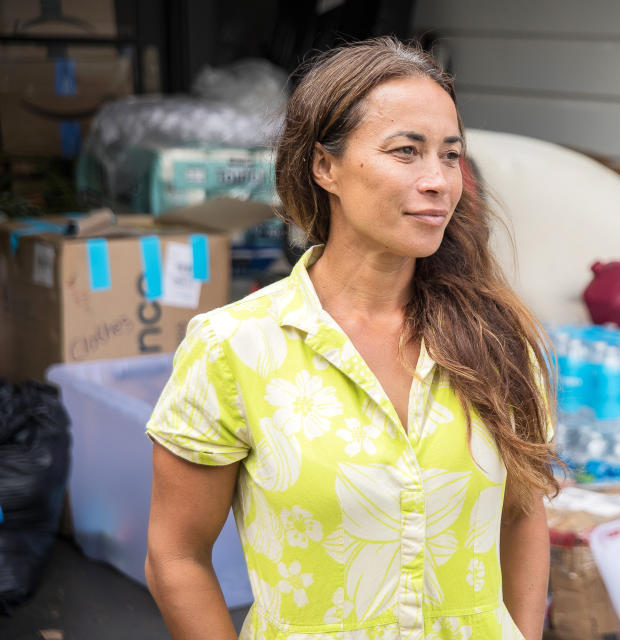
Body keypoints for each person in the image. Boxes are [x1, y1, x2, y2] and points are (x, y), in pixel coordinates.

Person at [144, 37, 559, 640]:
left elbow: (522, 518)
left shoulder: (495, 340)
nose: (438, 181)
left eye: (449, 156)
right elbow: (174, 557)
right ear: (325, 167)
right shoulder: (235, 346)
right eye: (406, 152)